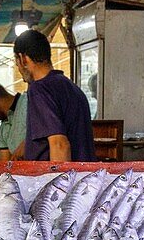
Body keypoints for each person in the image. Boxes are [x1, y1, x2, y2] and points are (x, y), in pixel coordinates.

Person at [13, 30, 96, 162]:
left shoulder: (39, 89)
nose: (18, 68)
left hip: (63, 179)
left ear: (23, 58)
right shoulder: (70, 87)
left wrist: (58, 181)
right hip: (83, 176)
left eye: (16, 62)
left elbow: (60, 145)